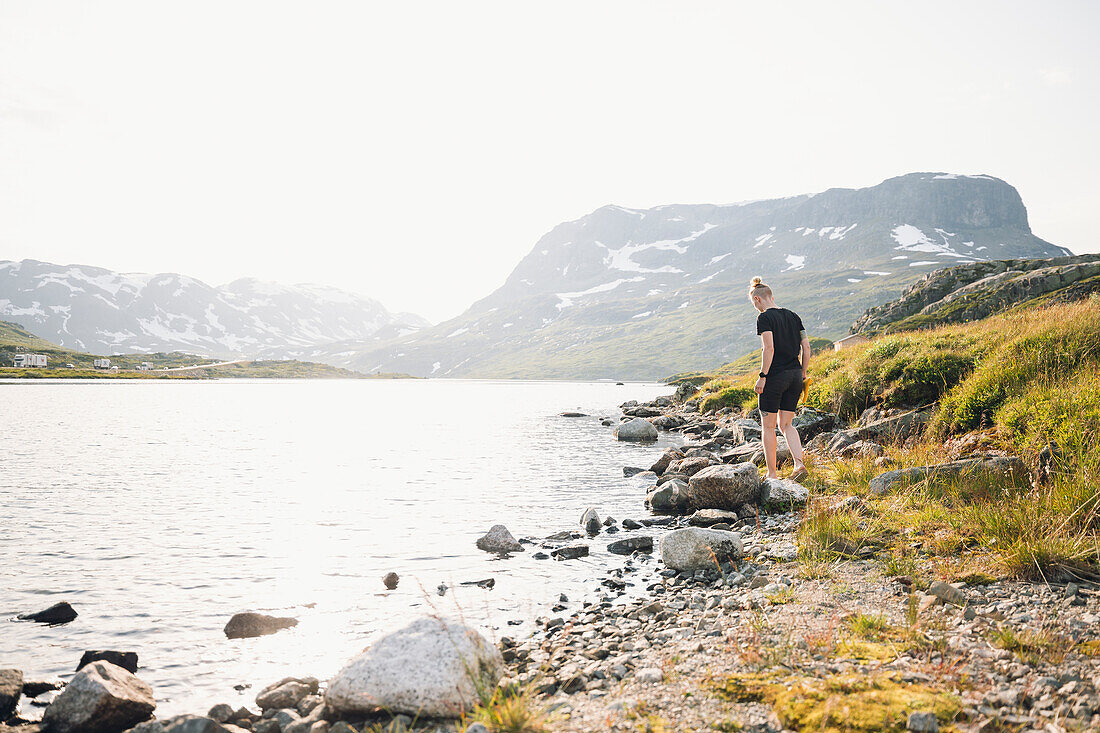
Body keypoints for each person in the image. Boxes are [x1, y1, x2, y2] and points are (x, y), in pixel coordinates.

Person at [748, 276, 809, 482]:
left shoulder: (764, 318)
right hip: (795, 376)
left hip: (775, 378)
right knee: (787, 425)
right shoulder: (794, 316)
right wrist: (803, 372)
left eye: (754, 304)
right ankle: (799, 464)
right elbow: (806, 347)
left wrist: (762, 376)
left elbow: (769, 348)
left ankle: (772, 474)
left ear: (758, 299)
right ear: (771, 296)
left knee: (768, 427)